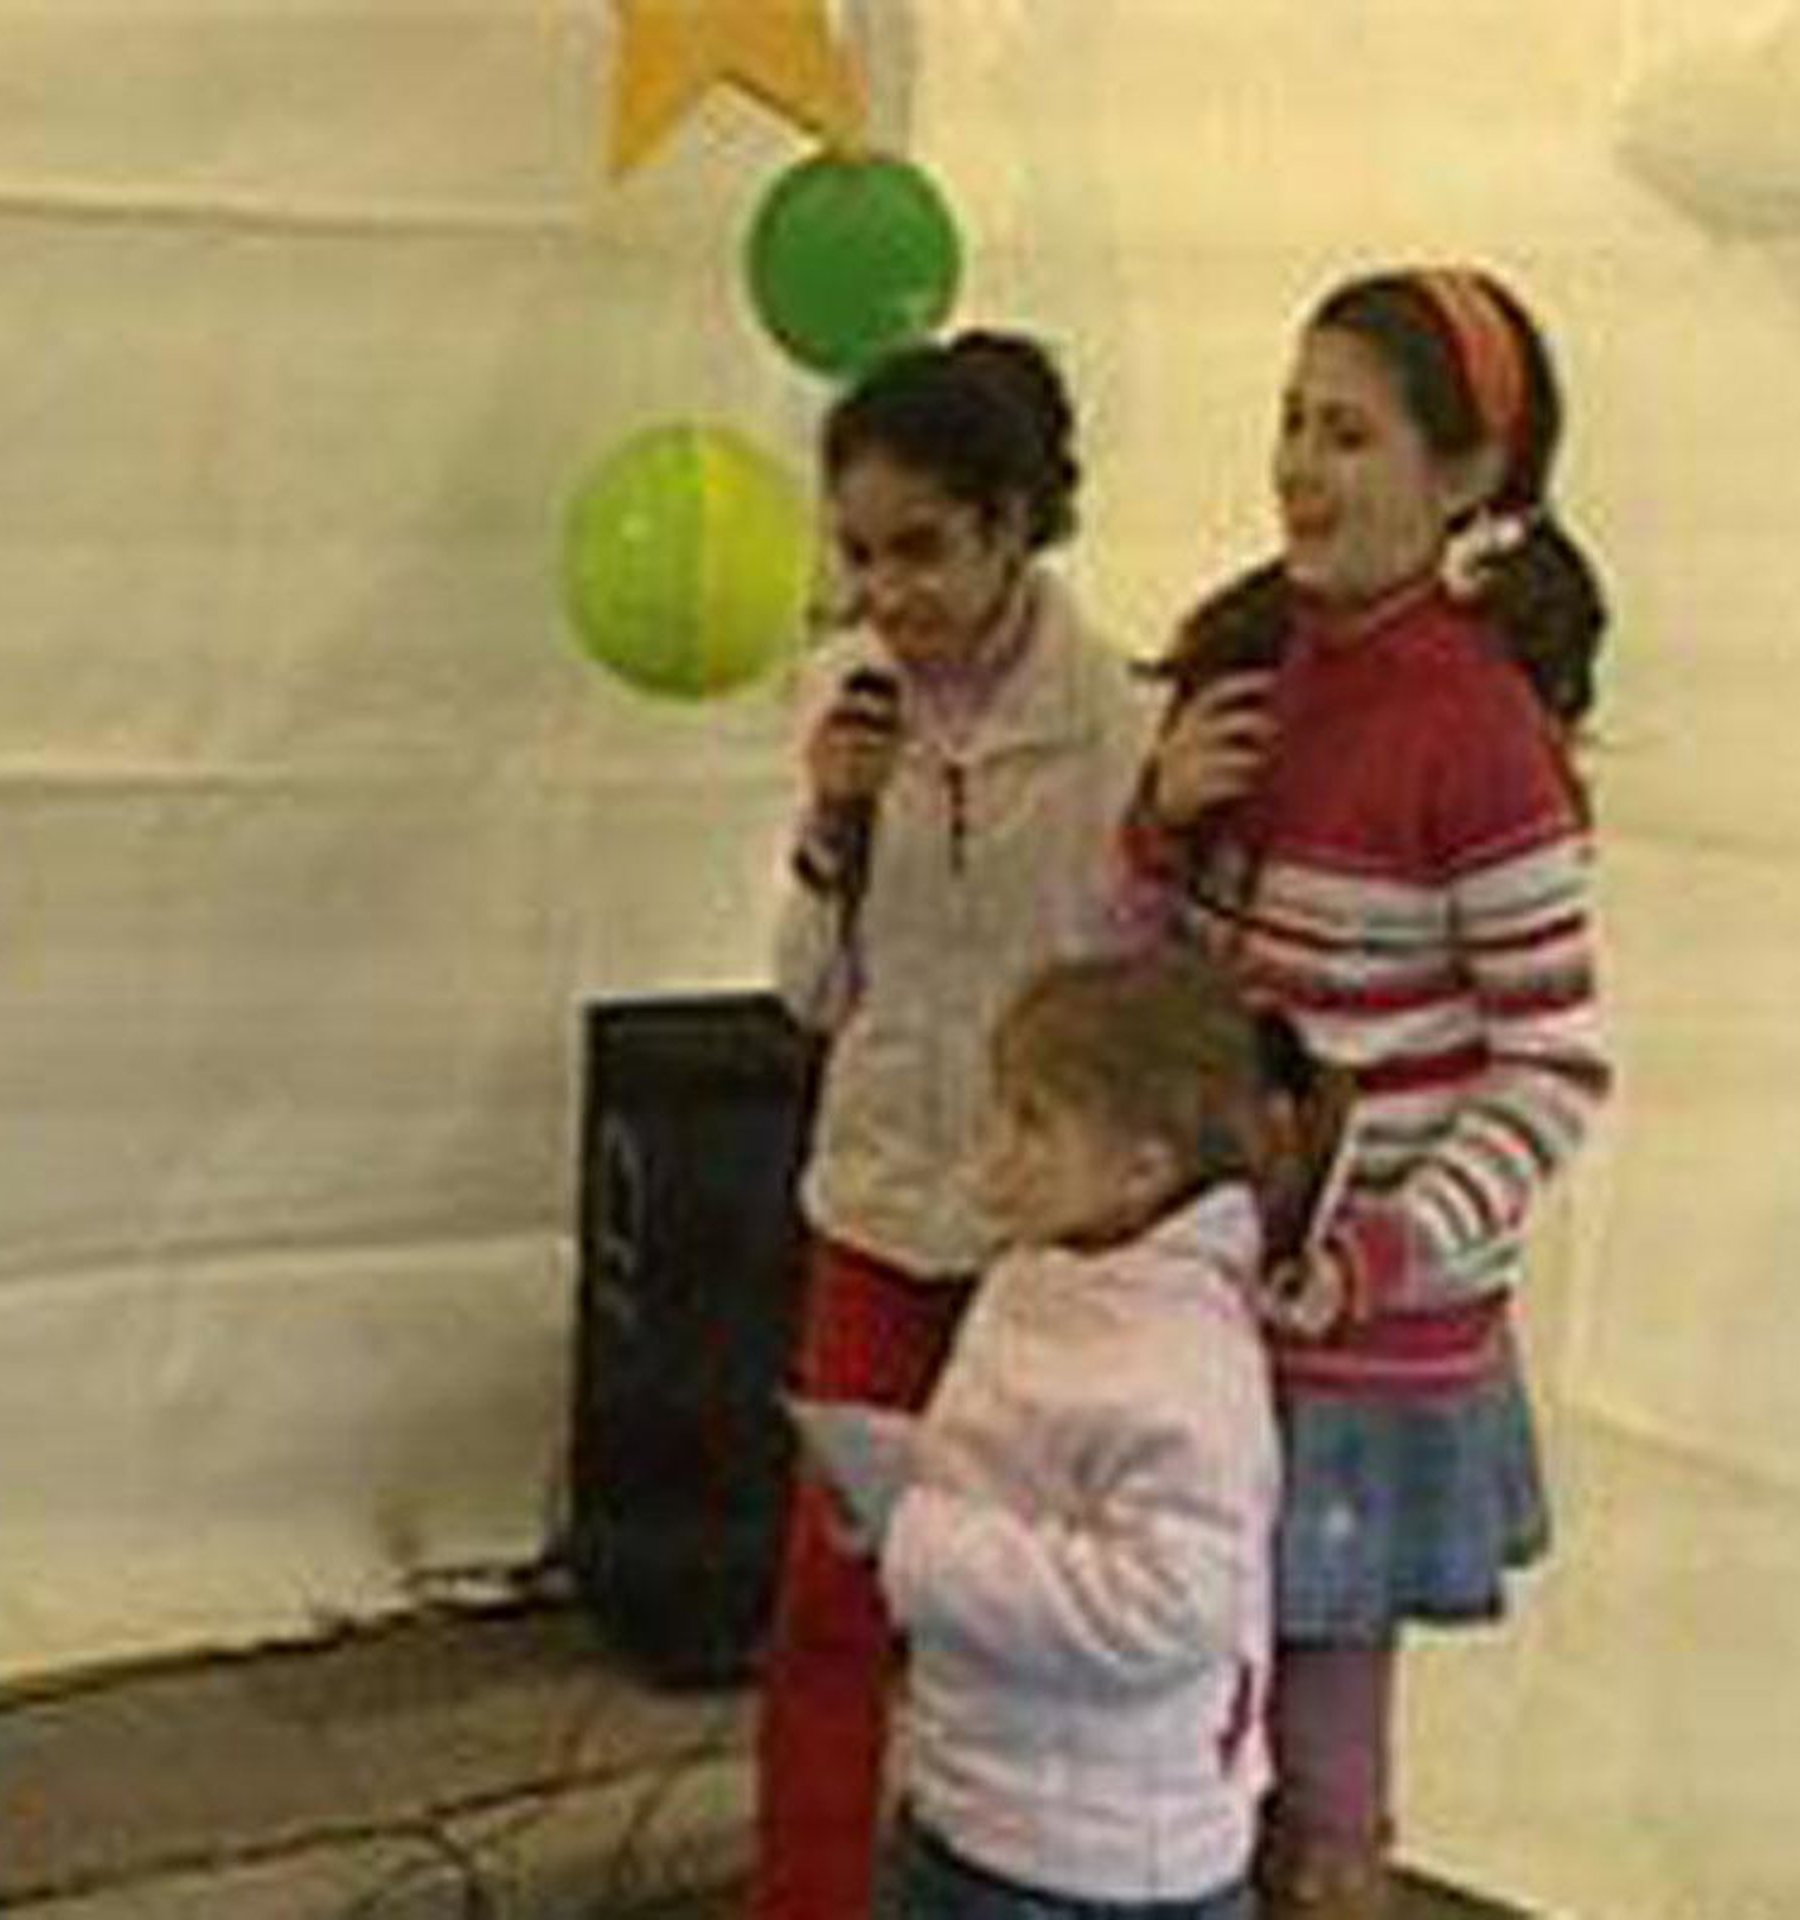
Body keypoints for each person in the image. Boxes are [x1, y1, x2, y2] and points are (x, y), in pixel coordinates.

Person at [1118, 266, 1612, 1918]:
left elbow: (1553, 1066)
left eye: (1348, 435)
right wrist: (1156, 827)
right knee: (1185, 1734)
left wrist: (1379, 1254)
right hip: (1207, 1304)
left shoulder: (1479, 731)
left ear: (1468, 476)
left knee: (1322, 1772)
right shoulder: (1250, 663)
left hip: (1360, 1351)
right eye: (1290, 423)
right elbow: (1145, 1007)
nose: (1298, 468)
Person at [753, 330, 1156, 1920]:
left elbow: (1132, 984)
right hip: (872, 1213)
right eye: (859, 556)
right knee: (830, 1603)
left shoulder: (1117, 723)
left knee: (1016, 1613)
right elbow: (806, 993)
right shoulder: (843, 703)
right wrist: (831, 821)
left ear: (1013, 526)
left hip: (1037, 1243)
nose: (888, 594)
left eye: (922, 549)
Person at [802, 947, 1279, 1920]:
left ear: (1143, 1167)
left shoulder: (1184, 1359)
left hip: (1094, 1860)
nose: (995, 1146)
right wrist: (897, 1477)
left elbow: (1161, 1607)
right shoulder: (1040, 1278)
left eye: (1033, 1122)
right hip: (979, 1795)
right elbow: (1023, 1474)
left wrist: (922, 1540)